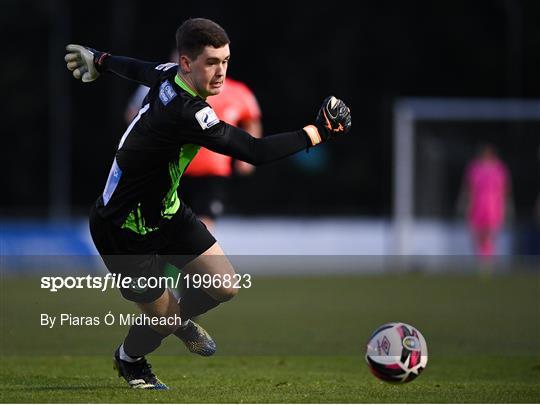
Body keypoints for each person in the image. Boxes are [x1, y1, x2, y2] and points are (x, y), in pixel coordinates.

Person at [64, 17, 351, 390]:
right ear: (187, 63)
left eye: (226, 61)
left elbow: (139, 68)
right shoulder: (187, 112)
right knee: (162, 320)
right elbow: (254, 151)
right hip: (123, 229)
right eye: (211, 62)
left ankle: (175, 318)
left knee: (224, 286)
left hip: (165, 212)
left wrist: (102, 60)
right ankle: (130, 358)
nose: (221, 72)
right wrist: (319, 132)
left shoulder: (170, 76)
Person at [126, 65, 263, 231]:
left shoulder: (238, 91)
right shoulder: (175, 87)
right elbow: (135, 114)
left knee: (203, 225)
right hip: (176, 169)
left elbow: (252, 120)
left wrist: (246, 155)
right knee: (166, 222)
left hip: (213, 173)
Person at [460, 144, 512, 259]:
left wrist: (505, 206)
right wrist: (467, 203)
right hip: (478, 204)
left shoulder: (499, 168)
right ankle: (480, 258)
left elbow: (504, 189)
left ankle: (488, 259)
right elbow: (469, 188)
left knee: (490, 234)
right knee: (477, 233)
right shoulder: (474, 168)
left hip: (493, 205)